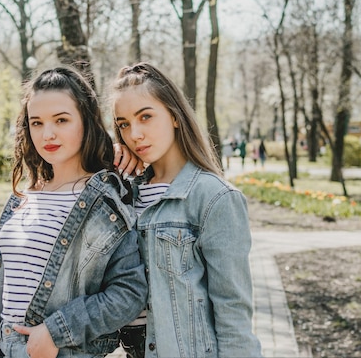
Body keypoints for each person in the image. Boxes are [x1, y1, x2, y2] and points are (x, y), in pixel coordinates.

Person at [0, 67, 148, 358]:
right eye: (36, 123)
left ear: (86, 122)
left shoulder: (105, 201)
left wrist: (56, 331)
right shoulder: (23, 196)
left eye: (61, 120)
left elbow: (129, 293)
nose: (47, 133)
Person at [111, 63, 262, 358]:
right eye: (124, 124)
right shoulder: (124, 194)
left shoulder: (214, 198)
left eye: (146, 117)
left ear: (175, 116)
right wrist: (107, 157)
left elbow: (233, 313)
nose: (135, 134)